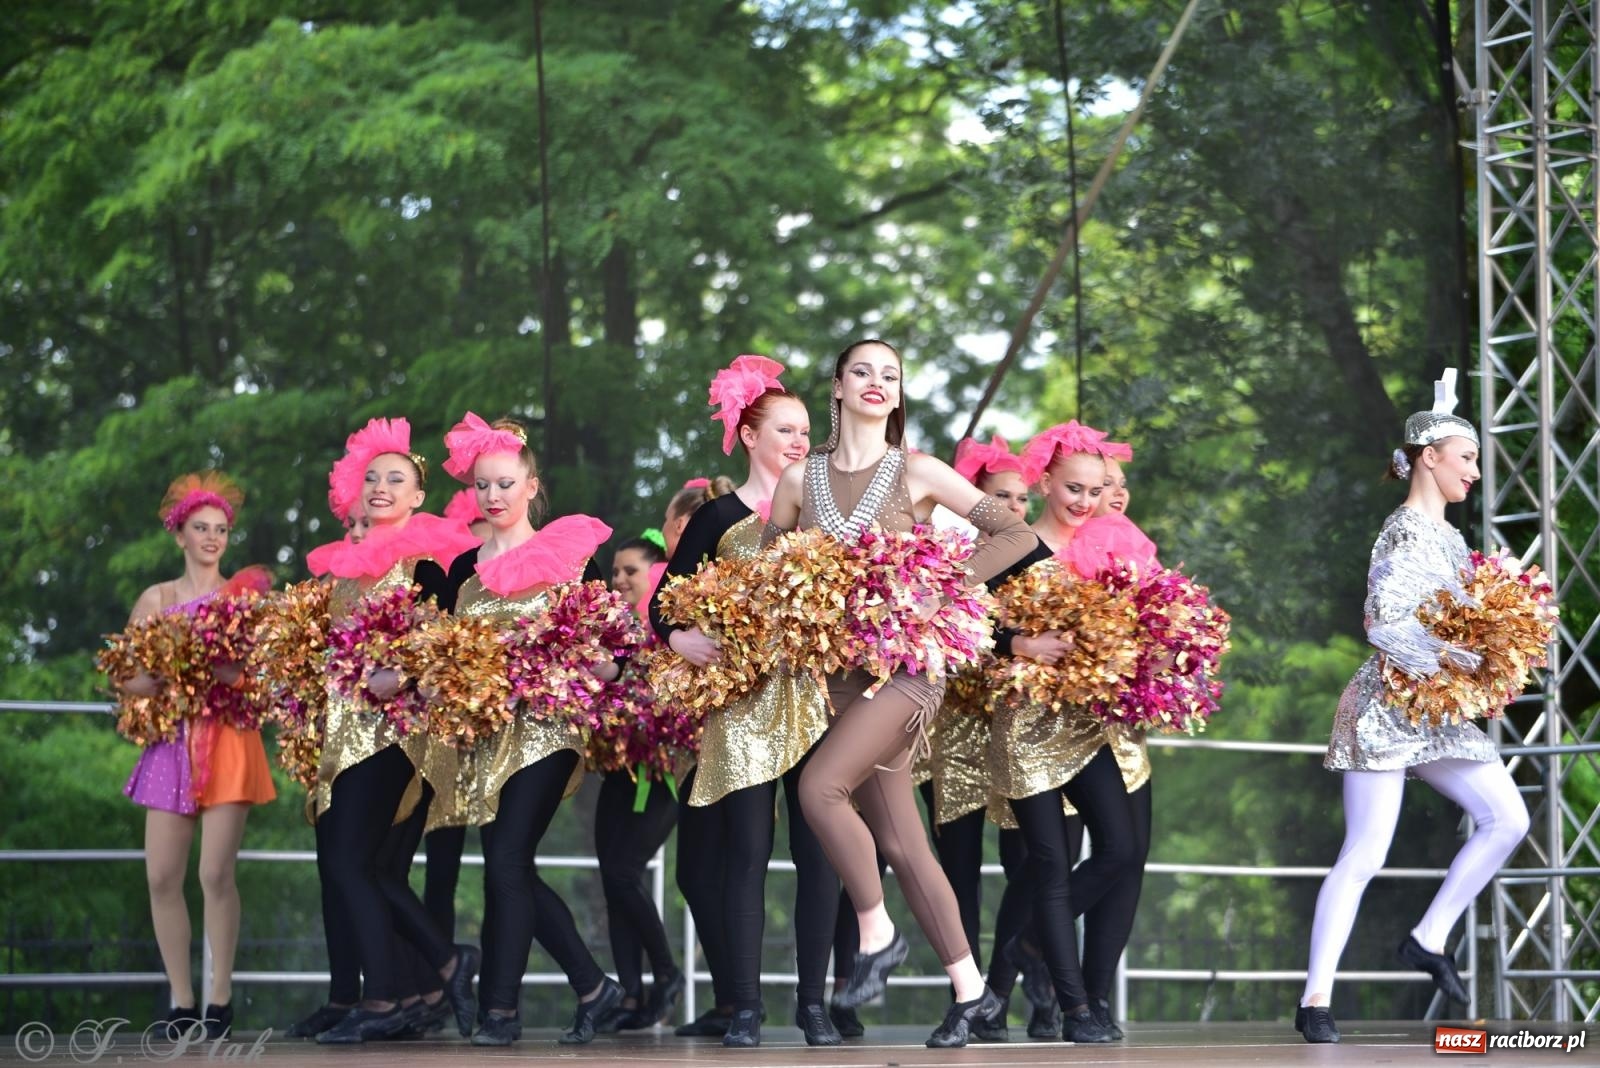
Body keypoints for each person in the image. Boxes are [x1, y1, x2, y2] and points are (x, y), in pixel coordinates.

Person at [762, 339, 1036, 1048]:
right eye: (863, 371)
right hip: (840, 680)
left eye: (890, 374)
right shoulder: (799, 481)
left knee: (820, 788)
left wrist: (936, 586)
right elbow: (767, 580)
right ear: (838, 385)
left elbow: (1014, 534)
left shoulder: (918, 471)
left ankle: (875, 932)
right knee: (905, 843)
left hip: (910, 670)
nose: (877, 383)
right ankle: (972, 992)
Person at [1296, 372, 1530, 1044]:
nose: (1476, 473)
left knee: (1507, 818)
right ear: (1430, 457)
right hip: (1387, 705)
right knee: (1366, 850)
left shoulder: (1451, 540)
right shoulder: (1405, 532)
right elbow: (1382, 622)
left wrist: (1487, 654)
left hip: (1434, 709)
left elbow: (1451, 625)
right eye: (1468, 459)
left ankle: (1428, 937)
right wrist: (1460, 657)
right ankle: (1315, 999)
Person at [648, 356, 840, 1048]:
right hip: (741, 705)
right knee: (745, 853)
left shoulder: (828, 511)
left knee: (820, 852)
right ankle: (746, 1007)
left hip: (817, 698)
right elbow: (662, 603)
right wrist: (681, 637)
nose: (799, 441)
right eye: (785, 429)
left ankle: (814, 1004)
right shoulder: (719, 518)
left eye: (807, 431)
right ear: (749, 435)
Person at [438, 413, 625, 1046]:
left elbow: (612, 648)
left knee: (508, 860)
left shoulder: (569, 553)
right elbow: (442, 653)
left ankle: (501, 1011)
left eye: (505, 484)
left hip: (550, 727)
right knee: (506, 866)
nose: (493, 496)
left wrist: (590, 661)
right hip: (489, 735)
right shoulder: (462, 569)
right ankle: (594, 987)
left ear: (531, 485)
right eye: (483, 485)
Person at [307, 417, 478, 1044]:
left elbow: (448, 636)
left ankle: (389, 993)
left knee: (351, 861)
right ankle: (433, 972)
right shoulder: (350, 567)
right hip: (346, 732)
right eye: (372, 477)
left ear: (417, 497)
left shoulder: (426, 560)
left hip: (397, 732)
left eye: (395, 479)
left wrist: (399, 670)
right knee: (368, 865)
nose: (380, 486)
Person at [985, 420, 1152, 1045]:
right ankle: (1076, 1012)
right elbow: (961, 620)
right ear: (1045, 481)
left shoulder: (1108, 543)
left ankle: (1030, 938)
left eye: (1094, 489)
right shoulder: (1013, 543)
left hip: (1085, 724)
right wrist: (1019, 642)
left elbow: (1138, 620)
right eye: (1072, 488)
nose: (1083, 501)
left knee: (1120, 848)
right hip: (1027, 722)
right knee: (1050, 861)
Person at [118, 472, 277, 1041]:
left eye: (221, 530)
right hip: (170, 745)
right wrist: (168, 674)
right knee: (162, 876)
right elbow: (128, 678)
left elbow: (258, 680)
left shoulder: (245, 598)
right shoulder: (156, 600)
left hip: (228, 741)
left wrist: (226, 671)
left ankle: (220, 998)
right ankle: (182, 1002)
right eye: (200, 528)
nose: (212, 537)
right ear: (179, 534)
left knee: (215, 873)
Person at [593, 533, 685, 1030]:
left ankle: (667, 972)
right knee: (612, 878)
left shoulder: (669, 625)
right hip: (617, 768)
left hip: (663, 770)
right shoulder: (611, 628)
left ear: (656, 571)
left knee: (624, 871)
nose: (620, 579)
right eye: (615, 572)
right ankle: (630, 995)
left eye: (631, 570)